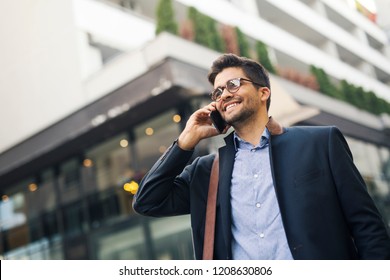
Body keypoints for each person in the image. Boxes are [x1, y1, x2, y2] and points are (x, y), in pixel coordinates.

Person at [133, 53, 390, 260]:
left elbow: (367, 226)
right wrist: (184, 142)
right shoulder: (206, 171)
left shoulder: (321, 143)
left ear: (263, 92)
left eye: (233, 84)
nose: (224, 95)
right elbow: (147, 201)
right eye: (218, 92)